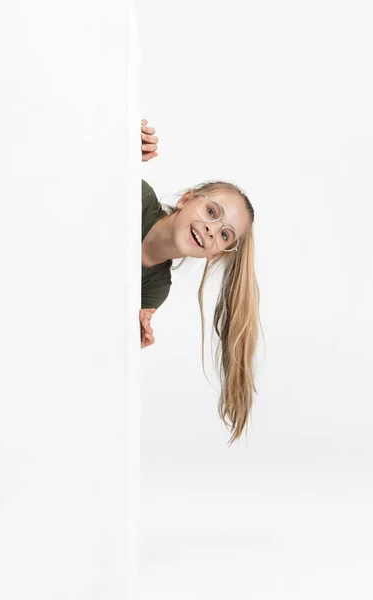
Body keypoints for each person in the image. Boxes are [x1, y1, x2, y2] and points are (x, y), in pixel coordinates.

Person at [139, 119, 262, 445]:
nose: (211, 229)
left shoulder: (156, 289)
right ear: (186, 199)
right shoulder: (137, 196)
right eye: (211, 212)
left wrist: (127, 333)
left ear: (215, 254)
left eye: (224, 234)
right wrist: (121, 145)